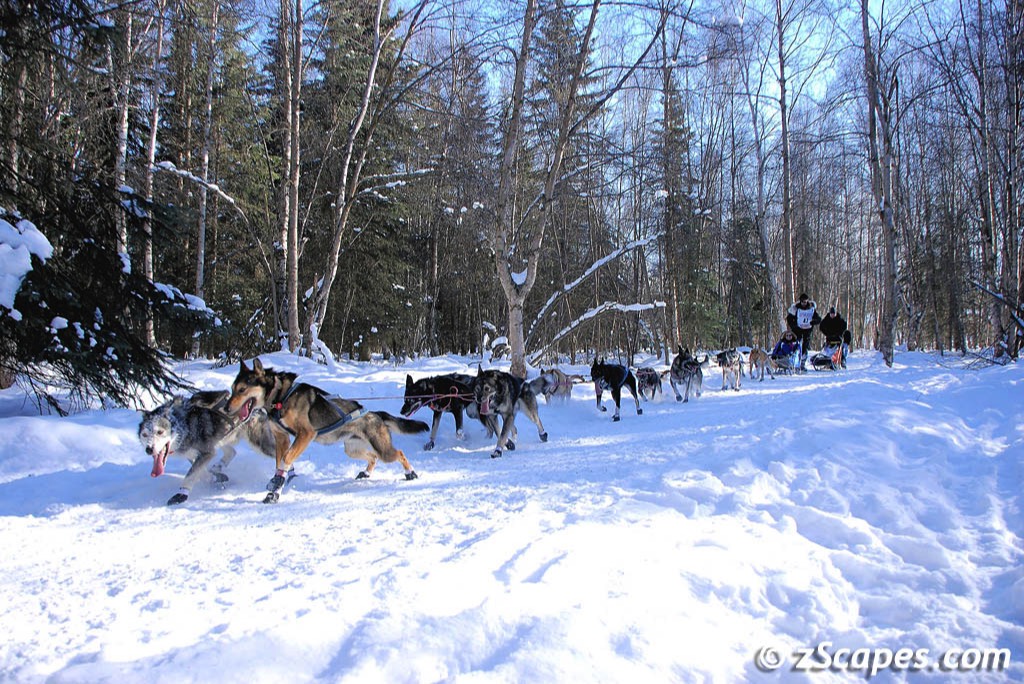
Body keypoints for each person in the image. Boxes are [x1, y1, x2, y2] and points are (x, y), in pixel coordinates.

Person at [786, 293, 821, 371]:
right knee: (795, 345)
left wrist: (813, 322)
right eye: (802, 302)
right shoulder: (796, 308)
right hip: (797, 330)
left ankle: (802, 363)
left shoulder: (811, 308)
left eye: (805, 302)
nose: (804, 303)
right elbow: (789, 318)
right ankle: (793, 361)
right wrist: (794, 326)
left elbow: (818, 319)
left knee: (805, 346)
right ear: (800, 301)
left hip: (807, 331)